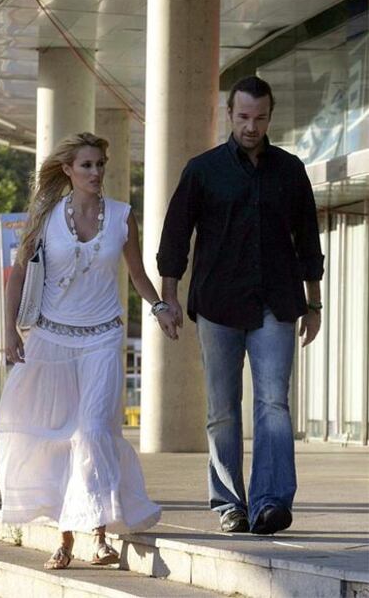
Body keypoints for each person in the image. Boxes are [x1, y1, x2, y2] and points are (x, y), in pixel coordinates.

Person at [0, 132, 176, 570]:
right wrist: (9, 333)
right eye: (87, 165)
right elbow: (18, 275)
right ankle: (65, 537)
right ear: (68, 170)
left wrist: (159, 307)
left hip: (102, 338)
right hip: (51, 339)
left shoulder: (120, 216)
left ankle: (97, 536)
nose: (96, 173)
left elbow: (136, 274)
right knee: (60, 437)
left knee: (93, 429)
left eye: (100, 165)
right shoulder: (44, 217)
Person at [157, 76, 324, 535]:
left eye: (261, 117)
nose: (252, 126)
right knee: (223, 408)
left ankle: (271, 502)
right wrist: (168, 297)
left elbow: (308, 240)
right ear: (230, 114)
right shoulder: (203, 170)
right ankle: (230, 503)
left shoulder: (290, 170)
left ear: (270, 117)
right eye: (244, 117)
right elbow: (175, 238)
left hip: (277, 301)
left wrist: (315, 304)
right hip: (217, 304)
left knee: (274, 402)